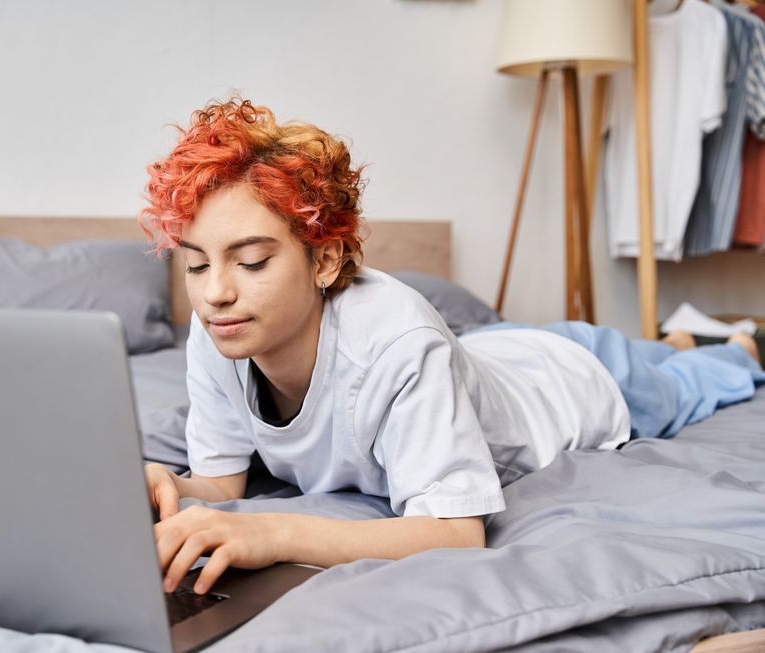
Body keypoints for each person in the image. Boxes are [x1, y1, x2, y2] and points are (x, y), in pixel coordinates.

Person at [138, 98, 765, 596]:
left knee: (701, 377)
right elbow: (222, 488)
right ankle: (678, 335)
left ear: (325, 260)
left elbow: (456, 534)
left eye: (249, 262)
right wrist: (163, 486)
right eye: (196, 267)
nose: (216, 292)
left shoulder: (400, 340)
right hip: (489, 352)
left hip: (576, 377)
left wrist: (271, 533)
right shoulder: (219, 331)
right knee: (663, 346)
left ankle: (736, 341)